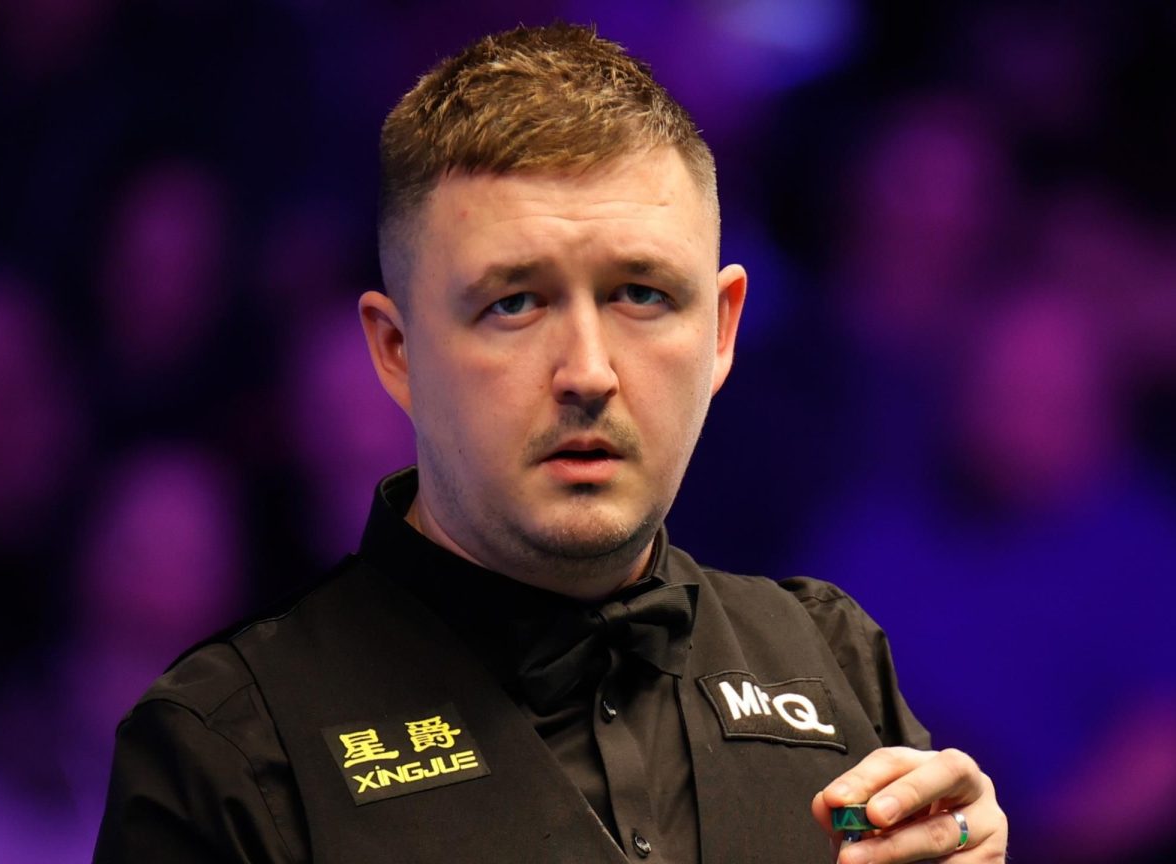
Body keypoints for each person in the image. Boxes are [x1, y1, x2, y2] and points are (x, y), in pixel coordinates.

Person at [94, 23, 1007, 864]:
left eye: (642, 294)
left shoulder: (831, 659)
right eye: (514, 303)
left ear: (722, 330)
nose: (588, 371)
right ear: (398, 351)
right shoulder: (230, 748)